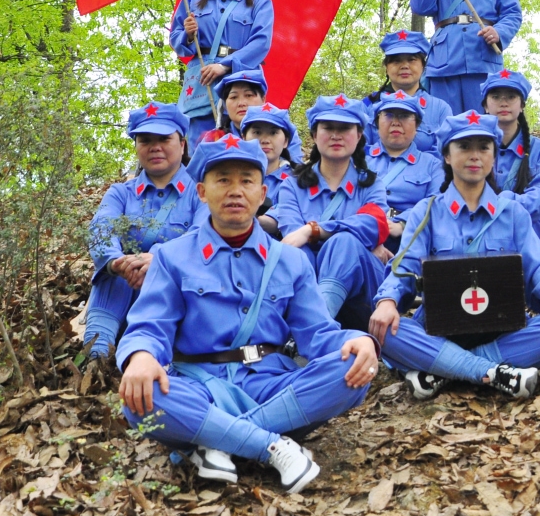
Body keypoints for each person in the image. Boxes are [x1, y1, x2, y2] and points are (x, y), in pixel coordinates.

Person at [116, 136, 378, 492]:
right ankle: (271, 446)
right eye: (223, 180)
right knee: (141, 397)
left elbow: (319, 335)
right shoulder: (171, 256)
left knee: (353, 369)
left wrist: (359, 340)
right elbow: (149, 326)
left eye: (247, 180)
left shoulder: (291, 260)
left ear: (262, 192)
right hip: (198, 384)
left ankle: (215, 440)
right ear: (202, 192)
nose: (235, 191)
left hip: (270, 384)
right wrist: (142, 357)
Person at [369, 112, 540, 400]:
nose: (474, 155)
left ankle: (445, 370)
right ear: (446, 155)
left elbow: (538, 265)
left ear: (493, 156)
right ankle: (495, 373)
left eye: (483, 147)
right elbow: (404, 266)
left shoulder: (512, 212)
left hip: (502, 329)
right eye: (464, 147)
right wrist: (388, 301)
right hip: (438, 330)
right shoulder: (426, 212)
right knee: (386, 331)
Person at [83, 103, 203, 359]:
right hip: (121, 290)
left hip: (176, 292)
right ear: (136, 147)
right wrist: (117, 263)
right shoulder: (120, 193)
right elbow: (101, 229)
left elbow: (204, 234)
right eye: (145, 140)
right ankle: (97, 353)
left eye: (164, 139)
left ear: (182, 144)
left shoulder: (201, 192)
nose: (155, 147)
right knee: (110, 274)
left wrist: (159, 258)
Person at [271, 95, 390, 331]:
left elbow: (373, 225)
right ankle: (319, 323)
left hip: (364, 296)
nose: (336, 135)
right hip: (308, 284)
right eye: (328, 127)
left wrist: (314, 230)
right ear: (315, 135)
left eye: (344, 128)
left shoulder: (370, 184)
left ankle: (316, 328)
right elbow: (293, 238)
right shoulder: (292, 185)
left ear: (359, 135)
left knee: (344, 242)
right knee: (300, 252)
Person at [170, 0, 275, 138]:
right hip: (202, 82)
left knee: (244, 140)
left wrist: (224, 65)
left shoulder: (260, 2)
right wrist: (188, 35)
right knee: (199, 141)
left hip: (241, 79)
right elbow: (175, 39)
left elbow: (261, 42)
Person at [480, 69, 540, 256]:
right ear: (485, 105)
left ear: (522, 105)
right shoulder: (470, 149)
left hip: (530, 230)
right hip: (479, 226)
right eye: (496, 97)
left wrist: (504, 204)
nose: (504, 102)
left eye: (511, 96)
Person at [365, 92, 442, 249]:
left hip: (413, 239)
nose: (395, 122)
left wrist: (403, 223)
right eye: (388, 115)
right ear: (377, 123)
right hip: (367, 236)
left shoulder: (433, 165)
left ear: (417, 126)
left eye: (404, 116)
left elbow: (437, 204)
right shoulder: (359, 161)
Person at [362, 30, 451, 156]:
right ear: (386, 67)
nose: (404, 66)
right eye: (396, 61)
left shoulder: (440, 109)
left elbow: (445, 154)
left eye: (411, 60)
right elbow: (359, 150)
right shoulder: (368, 105)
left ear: (423, 66)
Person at [241, 103, 299, 235]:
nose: (265, 140)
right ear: (243, 138)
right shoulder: (229, 176)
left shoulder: (297, 180)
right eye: (257, 132)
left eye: (273, 133)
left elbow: (285, 218)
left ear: (286, 141)